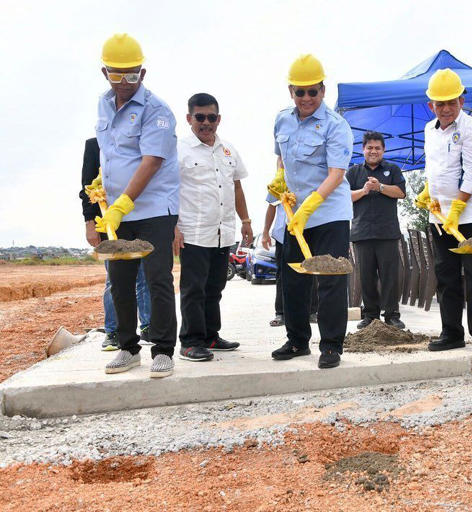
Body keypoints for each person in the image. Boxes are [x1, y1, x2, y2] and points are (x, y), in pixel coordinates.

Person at [95, 34, 179, 377]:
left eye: (132, 75)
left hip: (154, 210)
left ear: (142, 73)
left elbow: (151, 161)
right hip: (118, 212)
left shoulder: (156, 110)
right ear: (105, 73)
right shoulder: (103, 104)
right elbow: (111, 152)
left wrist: (124, 202)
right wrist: (101, 187)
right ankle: (128, 348)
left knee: (157, 279)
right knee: (120, 280)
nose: (125, 82)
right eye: (117, 75)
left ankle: (163, 350)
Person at [270, 54, 354, 369]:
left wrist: (310, 206)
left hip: (329, 213)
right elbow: (281, 157)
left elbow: (336, 174)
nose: (306, 98)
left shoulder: (336, 125)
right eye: (300, 92)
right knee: (293, 279)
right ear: (291, 91)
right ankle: (297, 341)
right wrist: (279, 178)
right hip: (294, 214)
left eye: (313, 92)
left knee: (330, 278)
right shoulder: (282, 120)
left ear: (323, 90)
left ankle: (331, 346)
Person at [414, 68, 472, 356]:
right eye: (441, 104)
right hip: (439, 215)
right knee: (445, 274)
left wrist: (458, 208)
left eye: (452, 102)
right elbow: (435, 168)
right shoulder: (429, 130)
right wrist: (427, 191)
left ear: (461, 100)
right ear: (431, 106)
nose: (446, 108)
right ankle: (451, 332)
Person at [173, 93, 249, 362]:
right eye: (200, 117)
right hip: (193, 232)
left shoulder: (228, 150)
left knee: (215, 287)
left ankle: (210, 336)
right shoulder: (179, 150)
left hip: (223, 232)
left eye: (211, 117)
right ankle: (190, 342)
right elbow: (167, 190)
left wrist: (246, 221)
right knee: (193, 289)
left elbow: (236, 187)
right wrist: (173, 227)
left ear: (219, 119)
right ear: (189, 118)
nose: (206, 122)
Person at [80, 137, 152, 351]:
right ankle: (113, 331)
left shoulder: (140, 142)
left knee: (144, 277)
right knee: (114, 278)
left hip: (140, 219)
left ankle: (148, 327)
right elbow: (87, 189)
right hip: (109, 223)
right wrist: (90, 223)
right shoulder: (94, 145)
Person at [347, 131, 406, 330]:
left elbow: (401, 193)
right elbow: (344, 197)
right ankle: (371, 315)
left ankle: (392, 315)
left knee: (390, 275)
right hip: (362, 232)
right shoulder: (353, 172)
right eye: (369, 148)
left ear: (383, 150)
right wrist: (364, 191)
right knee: (366, 276)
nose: (373, 151)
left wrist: (379, 186)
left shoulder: (393, 169)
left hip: (387, 232)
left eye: (377, 148)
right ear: (363, 149)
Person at [262, 194, 318, 327]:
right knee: (282, 275)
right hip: (282, 234)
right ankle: (281, 313)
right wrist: (265, 232)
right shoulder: (278, 185)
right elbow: (271, 207)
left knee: (311, 271)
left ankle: (312, 311)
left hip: (306, 232)